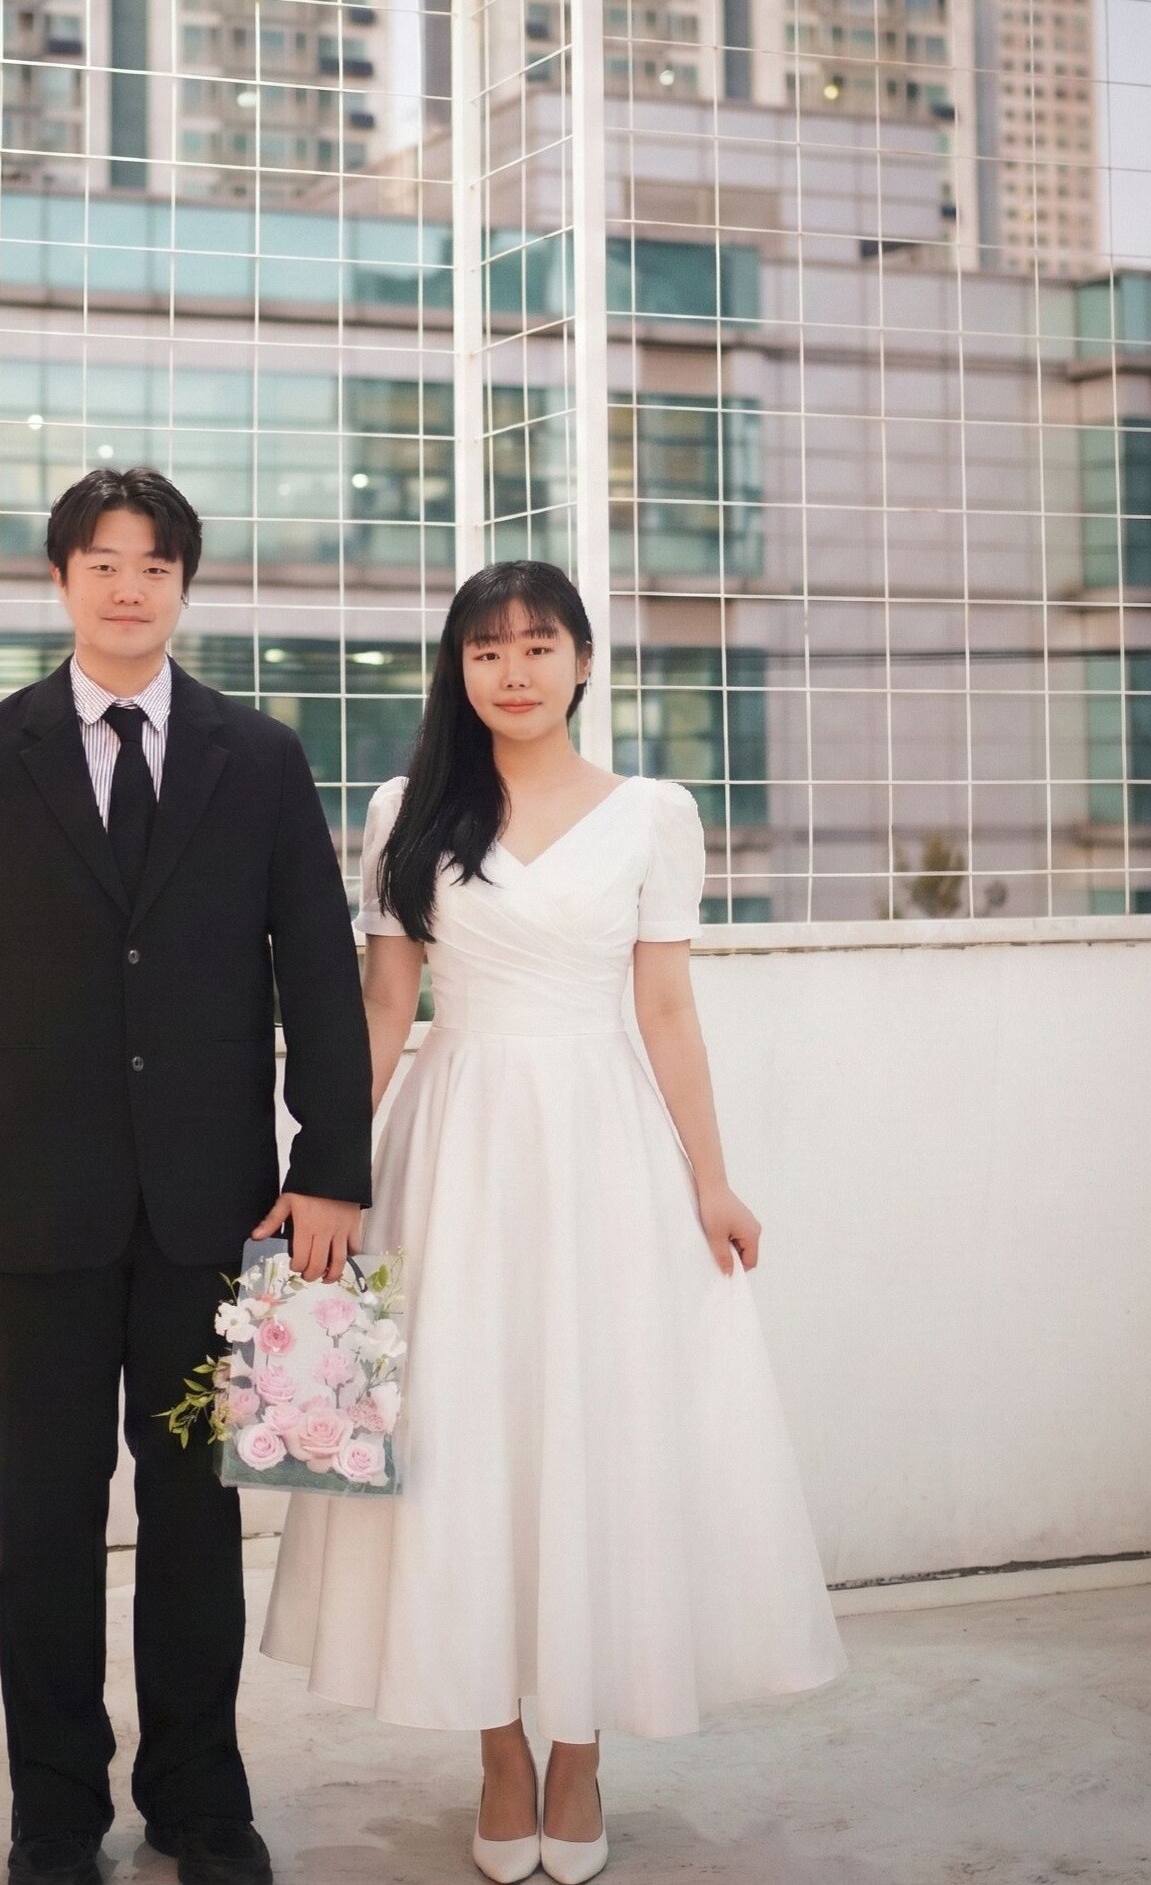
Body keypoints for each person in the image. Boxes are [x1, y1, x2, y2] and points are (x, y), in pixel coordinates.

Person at [261, 561, 847, 1885]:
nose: (513, 670)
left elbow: (667, 1009)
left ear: (584, 661)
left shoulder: (653, 813)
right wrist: (325, 1167)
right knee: (461, 1434)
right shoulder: (407, 808)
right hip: (453, 1148)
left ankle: (578, 1752)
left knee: (595, 1431)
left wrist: (712, 1178)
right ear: (458, 670)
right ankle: (497, 1751)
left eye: (537, 645)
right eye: (486, 649)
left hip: (602, 1149)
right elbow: (385, 1008)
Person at [0, 467, 372, 1885]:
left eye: (155, 563)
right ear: (62, 579)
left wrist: (331, 1164)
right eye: (103, 561)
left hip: (219, 1212)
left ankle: (200, 1800)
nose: (129, 585)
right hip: (38, 1210)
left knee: (199, 1508)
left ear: (185, 584)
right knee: (47, 1515)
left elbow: (318, 970)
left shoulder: (257, 757)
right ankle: (54, 1815)